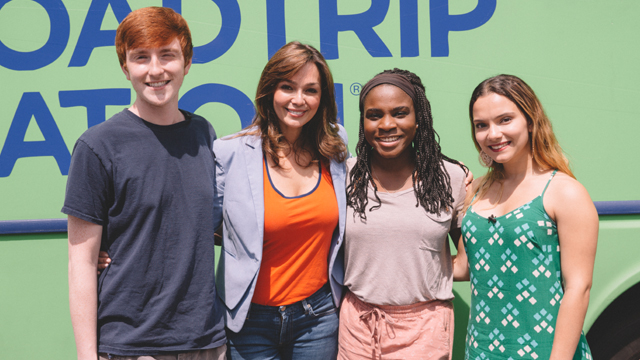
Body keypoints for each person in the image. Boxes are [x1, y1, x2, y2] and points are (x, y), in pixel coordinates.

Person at [63, 7, 226, 360]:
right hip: (132, 346)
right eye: (141, 58)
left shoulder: (203, 134)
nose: (156, 70)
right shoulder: (97, 146)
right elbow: (81, 262)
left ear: (187, 62)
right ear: (125, 67)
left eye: (167, 55)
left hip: (206, 342)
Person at [213, 41, 348, 359]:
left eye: (311, 90)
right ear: (269, 91)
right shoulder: (229, 152)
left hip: (318, 317)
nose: (298, 100)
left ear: (323, 97)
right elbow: (196, 226)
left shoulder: (335, 145)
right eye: (288, 87)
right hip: (250, 322)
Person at [453, 74, 597, 359]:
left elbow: (578, 288)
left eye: (505, 120)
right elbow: (462, 268)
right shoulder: (477, 189)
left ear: (530, 121)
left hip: (545, 352)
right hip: (481, 351)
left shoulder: (564, 192)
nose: (492, 134)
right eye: (481, 125)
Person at [338, 69, 468, 360]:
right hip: (357, 326)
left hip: (425, 329)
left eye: (400, 113)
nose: (387, 125)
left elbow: (471, 257)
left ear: (418, 117)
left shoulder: (451, 178)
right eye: (374, 115)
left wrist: (434, 273)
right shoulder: (344, 177)